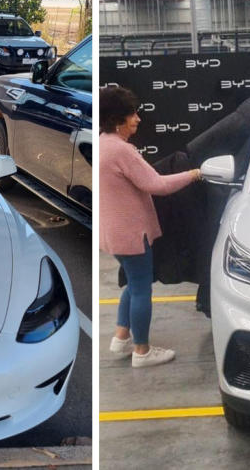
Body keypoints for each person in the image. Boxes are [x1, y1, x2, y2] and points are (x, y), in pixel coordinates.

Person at [100, 86, 202, 368]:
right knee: (142, 289)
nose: (138, 119)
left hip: (115, 235)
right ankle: (142, 351)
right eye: (132, 114)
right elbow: (158, 185)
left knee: (133, 285)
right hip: (132, 236)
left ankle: (121, 338)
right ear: (118, 119)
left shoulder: (104, 144)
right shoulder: (122, 151)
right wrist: (193, 174)